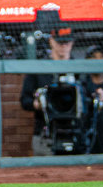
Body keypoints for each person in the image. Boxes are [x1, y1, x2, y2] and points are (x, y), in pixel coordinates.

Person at [19, 24, 77, 156]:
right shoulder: (39, 68)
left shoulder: (81, 69)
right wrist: (37, 104)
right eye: (60, 42)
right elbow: (24, 100)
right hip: (46, 131)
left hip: (74, 129)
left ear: (72, 42)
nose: (63, 46)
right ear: (51, 41)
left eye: (67, 42)